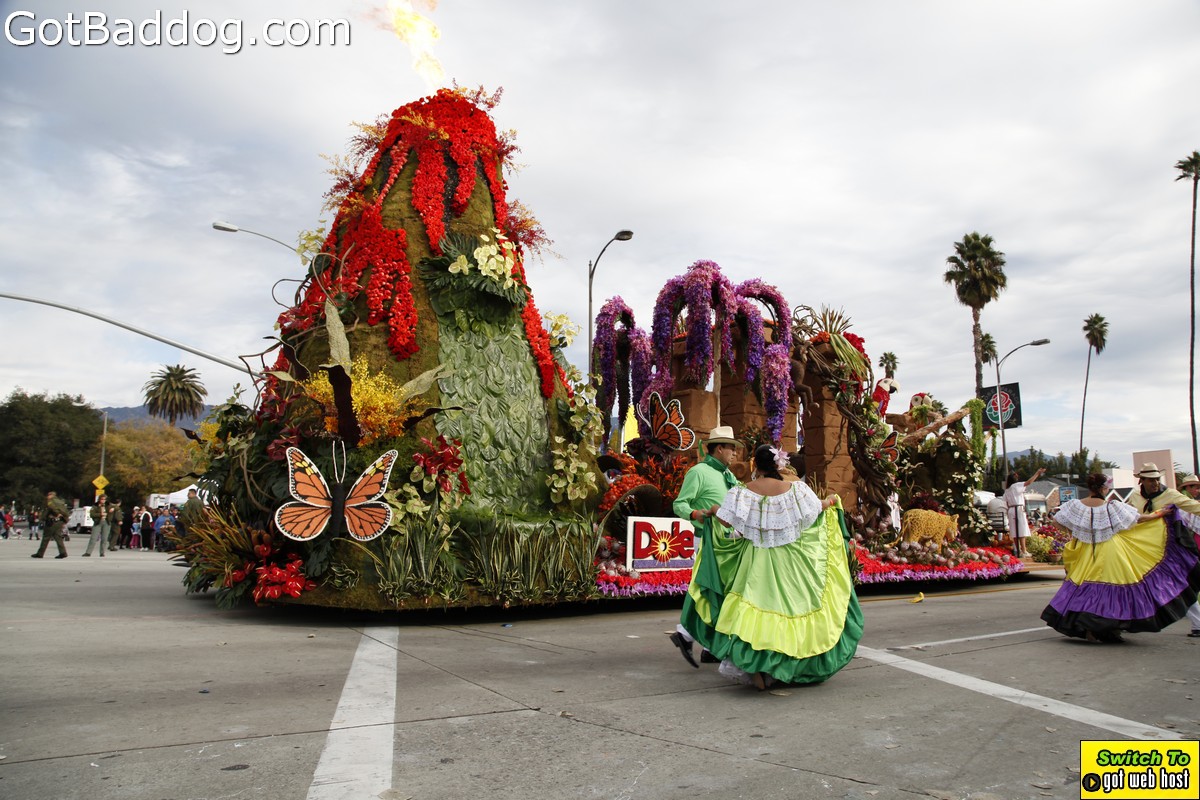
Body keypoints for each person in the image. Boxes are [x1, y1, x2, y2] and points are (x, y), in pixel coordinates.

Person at [707, 444, 863, 690]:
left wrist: (714, 510)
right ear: (778, 464)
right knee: (792, 609)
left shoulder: (742, 492)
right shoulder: (796, 490)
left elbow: (726, 521)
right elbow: (818, 507)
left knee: (753, 610)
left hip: (756, 562)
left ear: (755, 465)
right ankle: (785, 667)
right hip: (791, 562)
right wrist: (832, 500)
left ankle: (755, 666)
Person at [1040, 473, 1200, 643]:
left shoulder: (1076, 505)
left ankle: (1092, 628)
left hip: (1086, 551)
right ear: (1103, 488)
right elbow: (1138, 519)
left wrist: (1077, 532)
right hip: (1110, 550)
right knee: (1110, 588)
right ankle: (1104, 628)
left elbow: (1056, 522)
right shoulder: (1111, 506)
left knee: (1085, 585)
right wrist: (1159, 515)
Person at [669, 425, 743, 669]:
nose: (735, 453)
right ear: (719, 448)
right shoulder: (698, 472)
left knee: (721, 592)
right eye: (731, 448)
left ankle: (709, 647)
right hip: (706, 541)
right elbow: (680, 504)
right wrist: (695, 514)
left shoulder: (728, 476)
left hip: (726, 543)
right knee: (707, 589)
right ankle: (686, 634)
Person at [1176, 474, 1200, 637]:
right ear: (1187, 488)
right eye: (1194, 487)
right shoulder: (1185, 505)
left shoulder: (1189, 504)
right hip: (1190, 548)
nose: (1197, 490)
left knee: (1187, 586)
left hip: (1190, 548)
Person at [1004, 467, 1045, 557]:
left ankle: (1018, 550)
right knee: (1021, 530)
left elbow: (1006, 503)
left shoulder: (1007, 490)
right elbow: (1028, 482)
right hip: (1018, 508)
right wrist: (1037, 473)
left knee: (1014, 531)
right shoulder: (1016, 485)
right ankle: (1024, 551)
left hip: (1011, 509)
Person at [31, 491, 69, 559]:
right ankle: (63, 552)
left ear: (51, 495)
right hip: (59, 522)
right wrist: (64, 521)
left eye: (48, 495)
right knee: (58, 537)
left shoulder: (51, 501)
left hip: (52, 521)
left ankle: (40, 553)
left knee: (46, 537)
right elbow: (66, 513)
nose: (47, 497)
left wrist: (56, 513)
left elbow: (52, 508)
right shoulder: (61, 502)